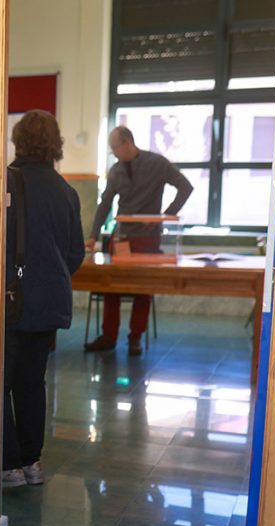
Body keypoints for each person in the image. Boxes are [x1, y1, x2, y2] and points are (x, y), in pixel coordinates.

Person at [2, 110, 85, 489]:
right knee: (32, 382)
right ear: (56, 143)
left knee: (0, 383)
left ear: (18, 139)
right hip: (51, 300)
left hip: (12, 300)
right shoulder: (66, 190)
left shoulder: (5, 182)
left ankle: (9, 465)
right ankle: (32, 462)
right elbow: (75, 253)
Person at [84, 125, 193, 356]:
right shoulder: (115, 170)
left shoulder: (157, 163)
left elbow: (185, 187)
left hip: (147, 238)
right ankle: (108, 335)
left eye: (115, 148)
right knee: (110, 285)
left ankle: (136, 337)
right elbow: (105, 204)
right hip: (122, 237)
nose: (114, 153)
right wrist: (93, 234)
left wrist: (165, 216)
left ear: (127, 143)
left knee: (143, 287)